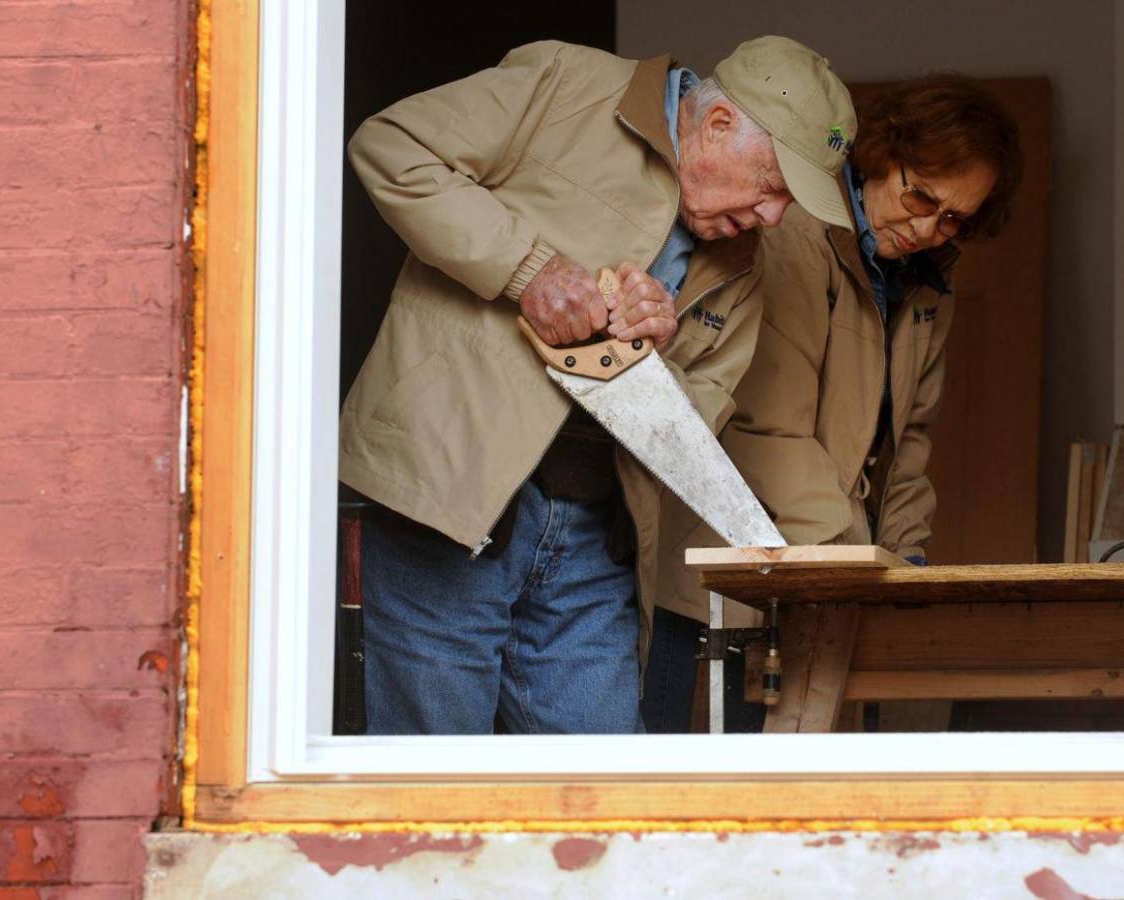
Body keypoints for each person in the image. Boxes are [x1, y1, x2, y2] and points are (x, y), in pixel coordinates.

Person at [339, 37, 857, 734]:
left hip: (590, 534)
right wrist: (531, 269)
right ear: (719, 124)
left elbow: (695, 412)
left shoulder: (743, 264)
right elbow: (391, 146)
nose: (772, 218)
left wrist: (649, 358)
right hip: (451, 494)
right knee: (438, 775)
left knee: (604, 783)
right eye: (772, 186)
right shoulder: (569, 84)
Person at [645, 74, 1024, 733]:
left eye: (955, 218)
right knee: (700, 797)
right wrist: (860, 568)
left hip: (824, 567)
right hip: (730, 571)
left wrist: (907, 576)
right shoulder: (795, 233)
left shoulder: (928, 286)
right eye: (920, 195)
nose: (929, 228)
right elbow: (766, 431)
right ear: (883, 153)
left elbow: (907, 445)